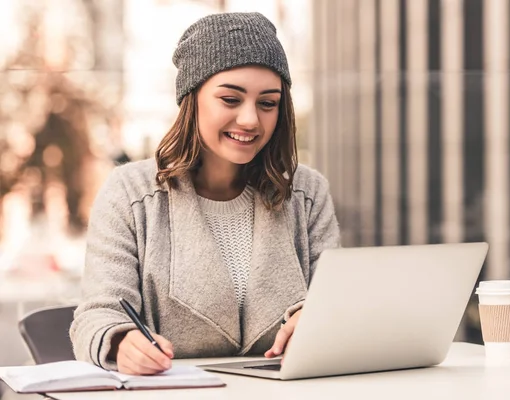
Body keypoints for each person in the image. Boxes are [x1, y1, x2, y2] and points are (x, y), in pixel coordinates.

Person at [69, 12, 340, 375]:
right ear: (191, 99)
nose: (250, 120)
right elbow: (96, 315)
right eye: (230, 99)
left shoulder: (307, 193)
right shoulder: (129, 193)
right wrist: (120, 341)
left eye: (267, 103)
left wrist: (317, 317)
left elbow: (338, 303)